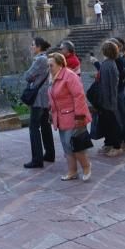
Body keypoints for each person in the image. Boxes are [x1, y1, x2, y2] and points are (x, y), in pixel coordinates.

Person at [47, 52, 92, 181]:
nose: (49, 68)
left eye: (51, 65)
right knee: (67, 146)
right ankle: (72, 171)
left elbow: (79, 96)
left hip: (73, 117)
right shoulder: (53, 77)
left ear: (60, 64)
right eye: (48, 65)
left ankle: (86, 167)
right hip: (61, 118)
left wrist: (79, 117)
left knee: (74, 144)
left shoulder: (70, 76)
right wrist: (51, 111)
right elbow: (54, 97)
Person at [22, 37, 55, 168]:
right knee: (45, 126)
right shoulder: (46, 58)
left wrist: (30, 76)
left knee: (34, 127)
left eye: (33, 45)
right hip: (44, 97)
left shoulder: (40, 59)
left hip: (38, 99)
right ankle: (49, 154)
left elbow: (27, 76)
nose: (31, 47)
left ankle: (37, 159)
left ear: (39, 46)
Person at [95, 40, 122, 156]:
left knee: (112, 124)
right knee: (106, 124)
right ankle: (109, 143)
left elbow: (113, 85)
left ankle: (117, 146)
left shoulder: (110, 64)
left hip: (109, 101)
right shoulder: (107, 63)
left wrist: (112, 102)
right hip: (104, 100)